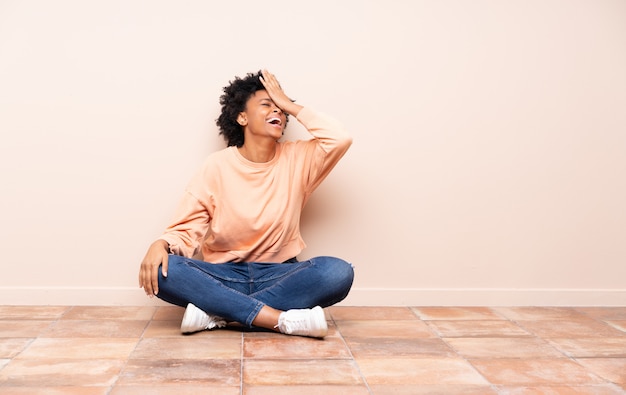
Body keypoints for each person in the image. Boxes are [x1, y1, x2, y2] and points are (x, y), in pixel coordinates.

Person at [138, 69, 354, 338]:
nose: (278, 111)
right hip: (223, 275)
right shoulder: (216, 166)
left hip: (280, 274)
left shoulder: (300, 159)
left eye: (281, 109)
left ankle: (220, 313)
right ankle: (277, 319)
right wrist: (159, 245)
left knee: (337, 272)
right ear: (242, 117)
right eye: (266, 104)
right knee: (161, 270)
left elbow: (340, 138)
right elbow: (185, 229)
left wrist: (289, 103)